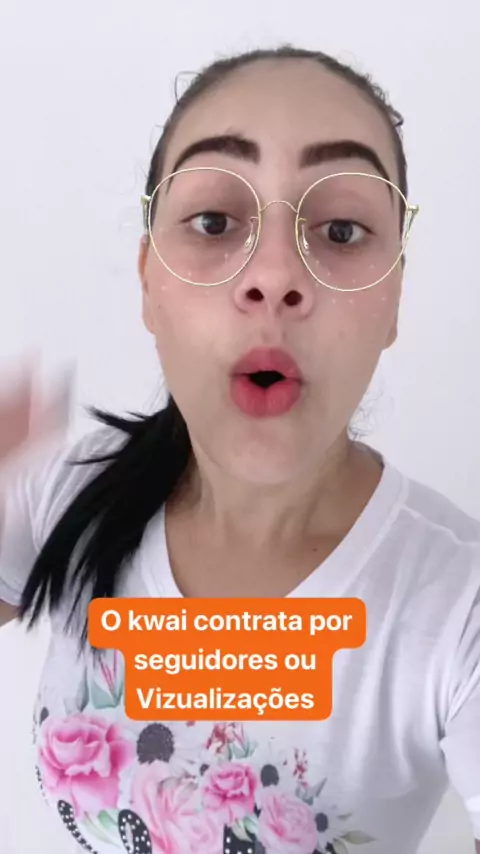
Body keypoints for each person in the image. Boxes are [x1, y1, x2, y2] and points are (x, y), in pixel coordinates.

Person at [0, 44, 479, 854]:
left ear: (393, 296)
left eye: (341, 229)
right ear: (148, 281)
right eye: (215, 222)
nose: (275, 275)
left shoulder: (459, 606)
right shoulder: (65, 490)